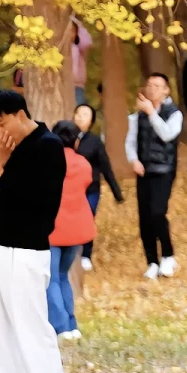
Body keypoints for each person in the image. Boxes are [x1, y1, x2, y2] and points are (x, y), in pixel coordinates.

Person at [0, 88, 72, 373]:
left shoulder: (48, 146)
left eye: (2, 122)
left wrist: (1, 171)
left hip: (27, 248)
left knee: (31, 328)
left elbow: (37, 201)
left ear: (20, 114)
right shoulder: (9, 148)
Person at [126, 73, 182, 279]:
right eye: (149, 85)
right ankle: (151, 261)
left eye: (157, 86)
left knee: (158, 213)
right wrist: (134, 160)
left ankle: (168, 255)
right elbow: (130, 141)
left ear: (166, 90)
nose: (152, 89)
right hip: (144, 170)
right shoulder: (137, 116)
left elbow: (167, 134)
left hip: (164, 170)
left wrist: (151, 113)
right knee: (145, 217)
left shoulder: (174, 113)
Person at [47, 120, 95, 339]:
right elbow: (87, 182)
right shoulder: (83, 164)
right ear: (76, 141)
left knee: (51, 279)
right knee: (62, 276)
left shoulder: (46, 162)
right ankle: (71, 324)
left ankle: (61, 326)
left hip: (52, 228)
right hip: (76, 229)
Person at [74, 103, 122, 272]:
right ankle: (72, 252)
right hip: (71, 190)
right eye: (78, 113)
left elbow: (105, 167)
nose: (80, 117)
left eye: (85, 114)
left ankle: (86, 255)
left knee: (87, 219)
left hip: (90, 189)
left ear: (91, 121)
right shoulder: (66, 138)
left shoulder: (95, 142)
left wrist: (116, 192)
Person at [70, 22, 93, 105]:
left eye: (73, 31)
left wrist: (74, 20)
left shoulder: (77, 48)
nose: (70, 34)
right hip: (62, 86)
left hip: (77, 86)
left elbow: (87, 41)